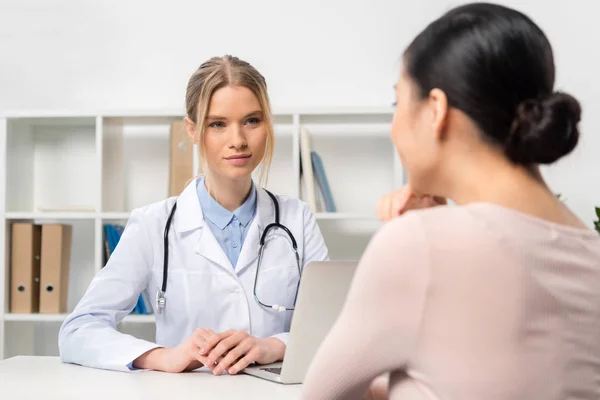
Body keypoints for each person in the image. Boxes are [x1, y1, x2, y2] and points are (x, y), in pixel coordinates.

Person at [301, 3, 600, 399]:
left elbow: (322, 396)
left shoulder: (418, 245)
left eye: (398, 104)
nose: (394, 125)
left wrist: (418, 239)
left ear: (436, 111)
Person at [58, 55, 332, 374]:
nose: (238, 140)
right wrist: (162, 356)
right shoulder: (153, 224)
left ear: (267, 123)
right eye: (218, 124)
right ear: (192, 130)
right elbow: (78, 331)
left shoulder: (296, 218)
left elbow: (332, 326)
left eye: (252, 121)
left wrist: (273, 346)